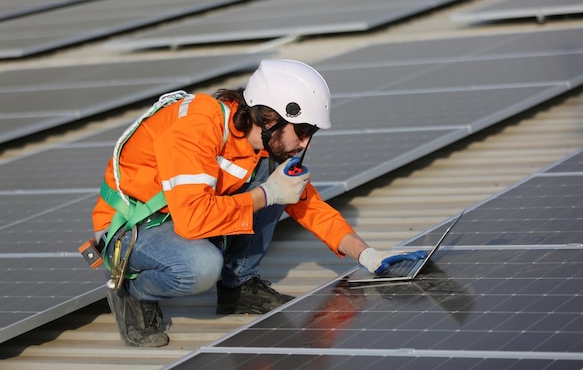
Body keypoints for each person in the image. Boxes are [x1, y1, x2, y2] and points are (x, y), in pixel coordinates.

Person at [91, 59, 425, 347]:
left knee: (283, 181)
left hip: (179, 217)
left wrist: (367, 254)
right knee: (200, 267)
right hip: (134, 229)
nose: (306, 141)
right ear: (271, 118)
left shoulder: (262, 145)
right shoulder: (196, 128)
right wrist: (266, 195)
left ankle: (238, 286)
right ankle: (134, 293)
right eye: (304, 129)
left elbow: (306, 203)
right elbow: (193, 220)